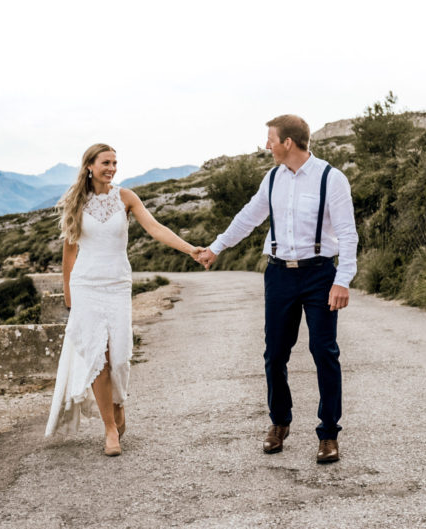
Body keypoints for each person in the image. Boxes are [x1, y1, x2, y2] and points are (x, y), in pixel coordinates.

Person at [197, 115, 358, 463]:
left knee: (324, 352)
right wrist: (216, 247)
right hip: (279, 275)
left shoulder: (331, 178)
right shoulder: (272, 178)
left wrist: (343, 279)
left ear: (288, 142)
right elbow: (248, 216)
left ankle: (329, 434)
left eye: (270, 139)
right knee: (275, 355)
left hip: (320, 275)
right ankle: (279, 423)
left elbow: (347, 233)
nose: (266, 145)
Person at [45, 143, 202, 456]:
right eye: (106, 162)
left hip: (117, 284)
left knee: (118, 356)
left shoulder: (126, 198)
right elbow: (69, 251)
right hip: (86, 285)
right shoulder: (76, 201)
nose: (112, 168)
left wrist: (191, 249)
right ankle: (109, 429)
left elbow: (155, 228)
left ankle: (118, 403)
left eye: (115, 162)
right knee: (96, 355)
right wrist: (68, 294)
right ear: (90, 165)